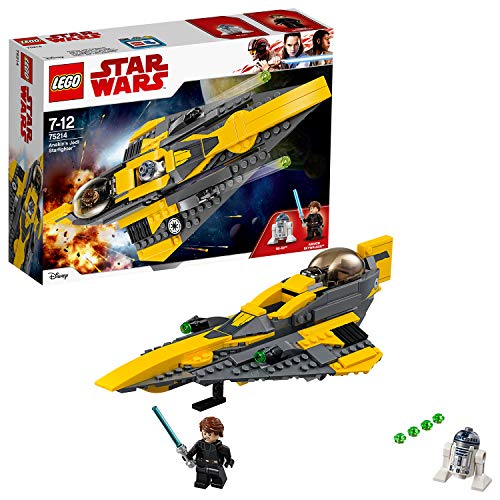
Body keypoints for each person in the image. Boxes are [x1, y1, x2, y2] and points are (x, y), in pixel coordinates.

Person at [186, 417, 234, 489]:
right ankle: (202, 482)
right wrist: (188, 456)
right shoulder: (199, 444)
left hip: (215, 466)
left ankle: (217, 482)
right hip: (201, 465)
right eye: (204, 433)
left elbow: (227, 453)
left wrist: (228, 461)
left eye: (209, 434)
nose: (206, 436)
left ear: (218, 434)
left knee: (217, 478)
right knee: (201, 479)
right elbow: (192, 452)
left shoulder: (220, 447)